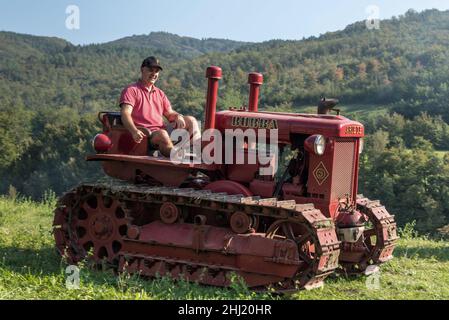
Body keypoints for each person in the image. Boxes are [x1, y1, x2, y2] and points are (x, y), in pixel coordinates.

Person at [119, 56, 199, 157]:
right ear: (142, 69)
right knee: (162, 134)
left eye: (156, 71)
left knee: (191, 120)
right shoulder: (131, 90)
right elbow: (125, 113)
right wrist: (134, 131)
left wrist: (178, 116)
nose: (154, 74)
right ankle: (177, 155)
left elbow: (169, 113)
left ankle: (197, 152)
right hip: (146, 135)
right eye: (151, 70)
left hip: (162, 130)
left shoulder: (159, 93)